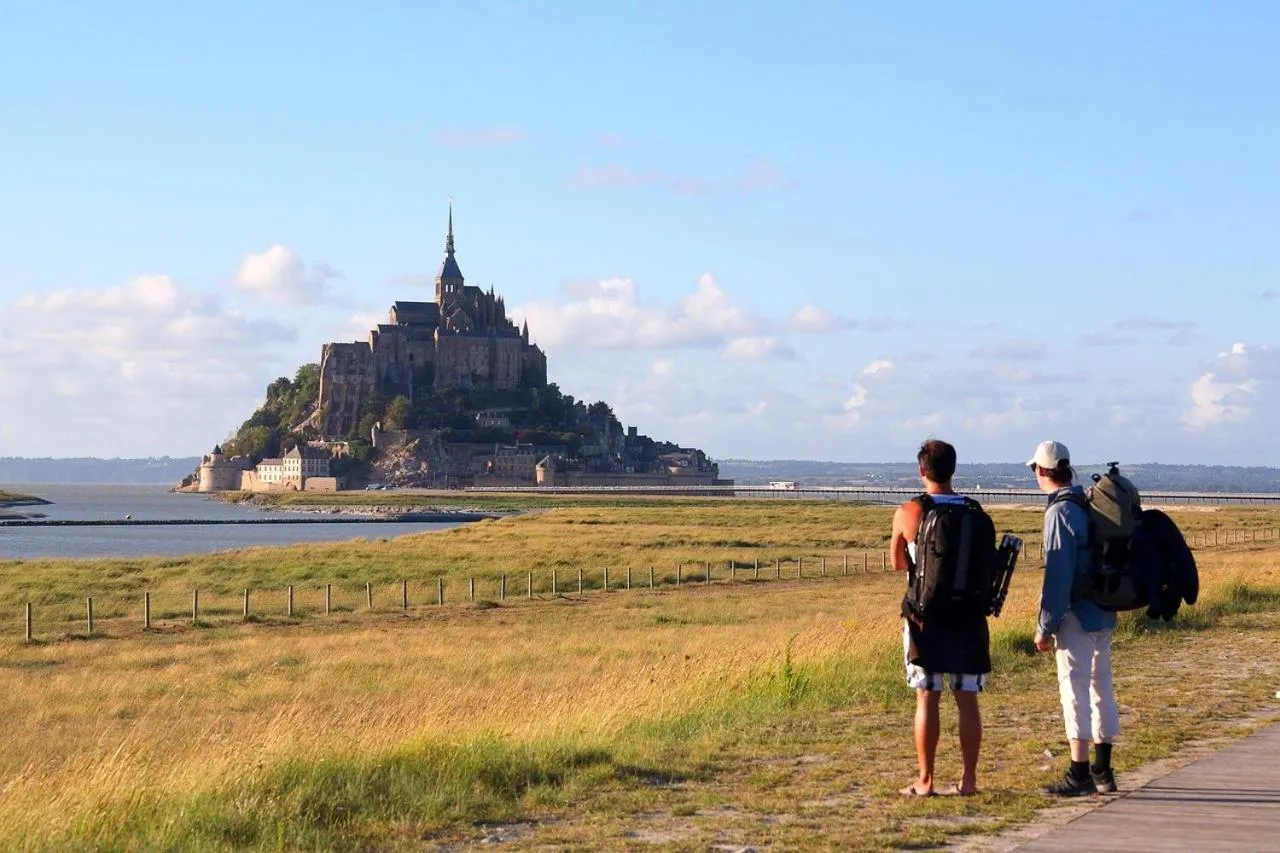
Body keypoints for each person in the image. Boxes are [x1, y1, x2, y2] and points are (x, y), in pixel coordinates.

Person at [891, 439, 990, 796]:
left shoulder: (909, 512)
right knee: (967, 698)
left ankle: (926, 780)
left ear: (922, 471)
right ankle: (968, 781)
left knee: (927, 696)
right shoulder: (974, 511)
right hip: (969, 615)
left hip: (924, 618)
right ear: (953, 470)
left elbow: (898, 562)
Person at [1028, 440, 1120, 796]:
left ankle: (1078, 772)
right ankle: (1103, 769)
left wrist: (1044, 626)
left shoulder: (1059, 513)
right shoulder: (1087, 502)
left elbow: (1058, 577)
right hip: (1103, 609)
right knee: (1102, 687)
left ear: (1041, 471)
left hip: (1075, 615)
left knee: (1074, 690)